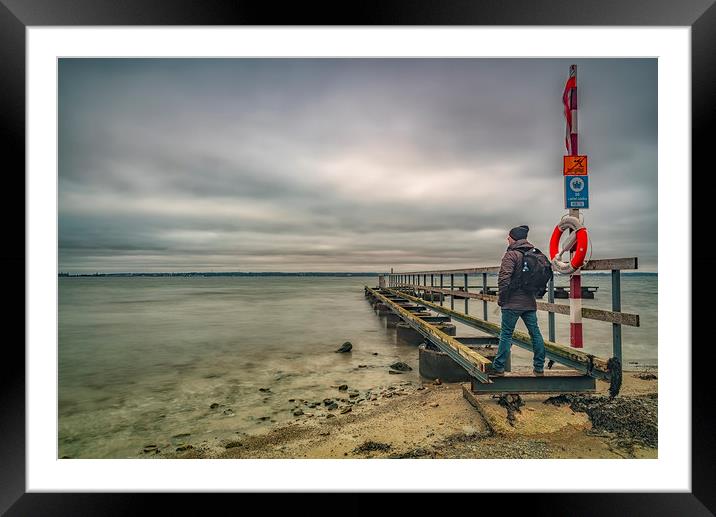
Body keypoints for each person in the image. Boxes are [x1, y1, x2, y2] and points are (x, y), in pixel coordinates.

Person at [492, 225, 546, 376]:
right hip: (530, 302)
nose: (507, 239)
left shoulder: (511, 255)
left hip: (511, 302)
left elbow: (503, 279)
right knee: (535, 333)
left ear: (514, 238)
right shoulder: (535, 254)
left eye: (508, 236)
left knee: (506, 334)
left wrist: (502, 299)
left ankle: (498, 367)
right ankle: (539, 367)